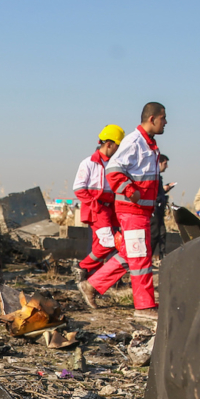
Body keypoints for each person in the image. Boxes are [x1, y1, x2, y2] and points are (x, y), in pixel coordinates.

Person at [93, 101, 168, 320]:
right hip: (132, 210)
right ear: (152, 119)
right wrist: (130, 190)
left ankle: (92, 285)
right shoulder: (135, 141)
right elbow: (114, 169)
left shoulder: (149, 144)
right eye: (163, 118)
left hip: (140, 211)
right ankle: (144, 307)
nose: (166, 122)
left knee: (130, 254)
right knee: (140, 258)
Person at [71, 123, 125, 300]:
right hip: (98, 209)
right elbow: (79, 189)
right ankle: (82, 267)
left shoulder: (116, 164)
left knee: (103, 246)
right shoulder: (88, 163)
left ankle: (91, 283)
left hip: (111, 209)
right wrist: (95, 206)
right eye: (118, 145)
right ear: (109, 143)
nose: (118, 149)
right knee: (108, 243)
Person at [151, 154, 174, 256]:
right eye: (165, 163)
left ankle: (162, 255)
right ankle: (148, 257)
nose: (167, 166)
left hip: (159, 209)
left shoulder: (157, 177)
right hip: (154, 210)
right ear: (159, 163)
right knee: (154, 234)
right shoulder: (153, 176)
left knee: (162, 233)